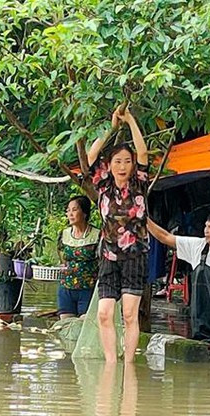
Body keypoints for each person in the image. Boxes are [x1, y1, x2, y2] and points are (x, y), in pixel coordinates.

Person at [86, 108, 149, 363]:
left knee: (130, 315)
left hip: (135, 254)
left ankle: (130, 365)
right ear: (109, 166)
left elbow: (143, 152)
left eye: (127, 161)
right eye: (117, 161)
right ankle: (112, 363)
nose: (122, 166)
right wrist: (111, 127)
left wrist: (130, 120)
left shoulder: (139, 183)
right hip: (108, 255)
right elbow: (91, 155)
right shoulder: (103, 185)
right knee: (104, 313)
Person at [147, 210, 210, 353]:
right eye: (205, 226)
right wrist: (142, 217)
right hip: (203, 332)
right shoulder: (197, 247)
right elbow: (164, 237)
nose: (206, 231)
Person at [57, 195, 100, 319]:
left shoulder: (97, 235)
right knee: (66, 326)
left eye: (74, 210)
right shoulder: (64, 234)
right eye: (68, 210)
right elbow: (62, 259)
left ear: (85, 213)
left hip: (88, 290)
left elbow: (102, 262)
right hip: (66, 289)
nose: (70, 214)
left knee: (85, 326)